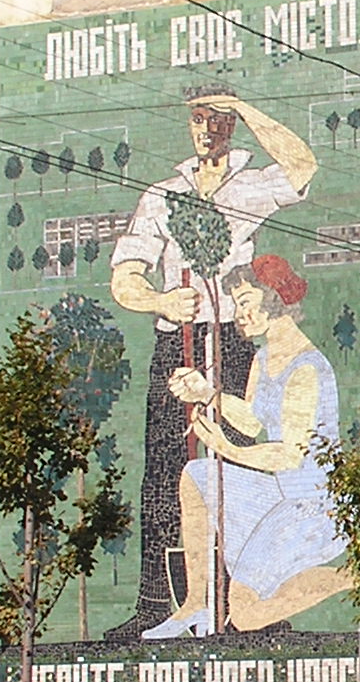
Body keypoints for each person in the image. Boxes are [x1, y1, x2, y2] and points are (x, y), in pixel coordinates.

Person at [109, 85, 318, 631]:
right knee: (164, 473)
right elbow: (125, 275)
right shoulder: (163, 193)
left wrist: (248, 106)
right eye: (200, 119)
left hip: (233, 335)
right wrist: (159, 300)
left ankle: (248, 609)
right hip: (174, 336)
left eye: (220, 120)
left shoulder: (248, 185)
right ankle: (155, 604)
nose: (209, 130)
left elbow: (302, 166)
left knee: (239, 466)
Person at [143, 254, 346, 638]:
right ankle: (196, 606)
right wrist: (208, 393)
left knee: (248, 614)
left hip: (316, 508)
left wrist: (225, 447)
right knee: (197, 475)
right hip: (282, 496)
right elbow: (253, 421)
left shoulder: (306, 368)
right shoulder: (266, 356)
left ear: (275, 302)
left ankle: (356, 577)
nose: (238, 314)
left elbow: (289, 454)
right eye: (236, 305)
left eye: (246, 303)